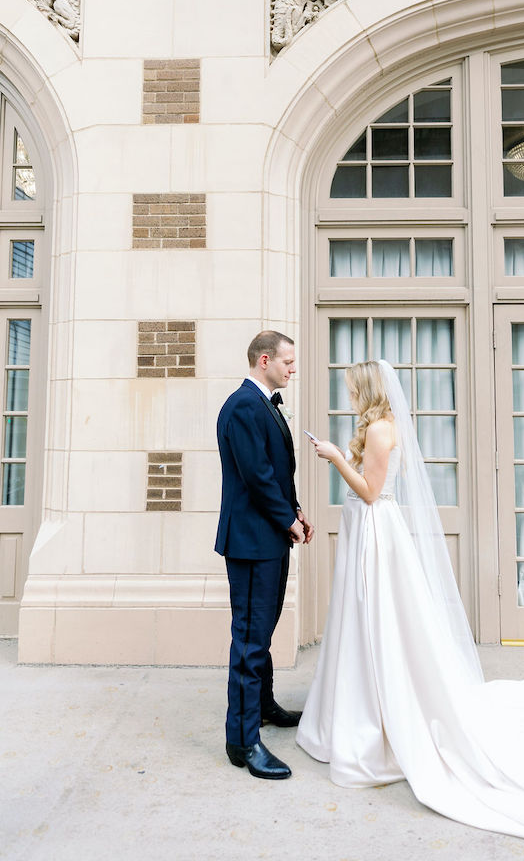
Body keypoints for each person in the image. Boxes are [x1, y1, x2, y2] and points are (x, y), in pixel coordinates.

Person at [296, 359, 524, 861]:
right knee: (366, 627)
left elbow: (373, 493)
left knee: (384, 626)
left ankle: (384, 713)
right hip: (369, 534)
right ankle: (367, 706)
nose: (349, 398)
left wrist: (337, 457)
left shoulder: (381, 430)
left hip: (378, 536)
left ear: (368, 390)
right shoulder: (379, 427)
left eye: (352, 390)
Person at [215, 330, 314, 780]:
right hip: (252, 542)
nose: (293, 369)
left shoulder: (266, 403)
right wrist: (287, 522)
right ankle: (243, 740)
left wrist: (294, 511)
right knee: (250, 639)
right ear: (264, 360)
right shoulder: (242, 407)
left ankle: (265, 706)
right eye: (288, 362)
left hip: (270, 535)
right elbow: (255, 477)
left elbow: (275, 473)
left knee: (264, 629)